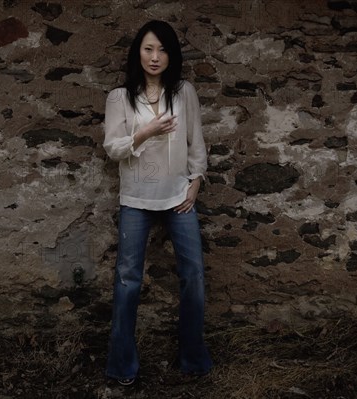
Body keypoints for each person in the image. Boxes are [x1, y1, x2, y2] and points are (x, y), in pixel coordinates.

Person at [103, 20, 212, 386]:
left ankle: (193, 359)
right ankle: (121, 366)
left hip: (178, 197)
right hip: (135, 199)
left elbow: (196, 141)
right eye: (149, 49)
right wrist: (145, 131)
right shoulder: (120, 97)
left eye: (162, 49)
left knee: (193, 276)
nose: (155, 57)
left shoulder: (184, 93)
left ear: (171, 54)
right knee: (127, 280)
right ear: (138, 52)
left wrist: (195, 181)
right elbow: (112, 149)